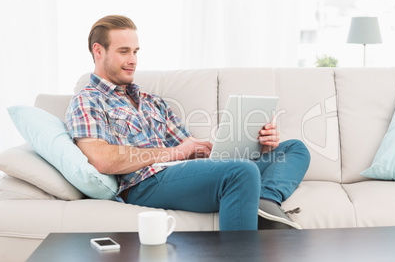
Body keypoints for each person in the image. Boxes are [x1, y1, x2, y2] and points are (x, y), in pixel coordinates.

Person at [65, 15, 311, 231]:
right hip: (144, 183)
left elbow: (193, 147)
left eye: (136, 51)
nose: (133, 60)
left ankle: (263, 203)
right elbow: (102, 159)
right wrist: (174, 153)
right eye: (124, 51)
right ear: (98, 51)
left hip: (181, 174)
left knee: (293, 149)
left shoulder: (152, 101)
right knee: (241, 172)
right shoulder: (88, 100)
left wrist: (252, 145)